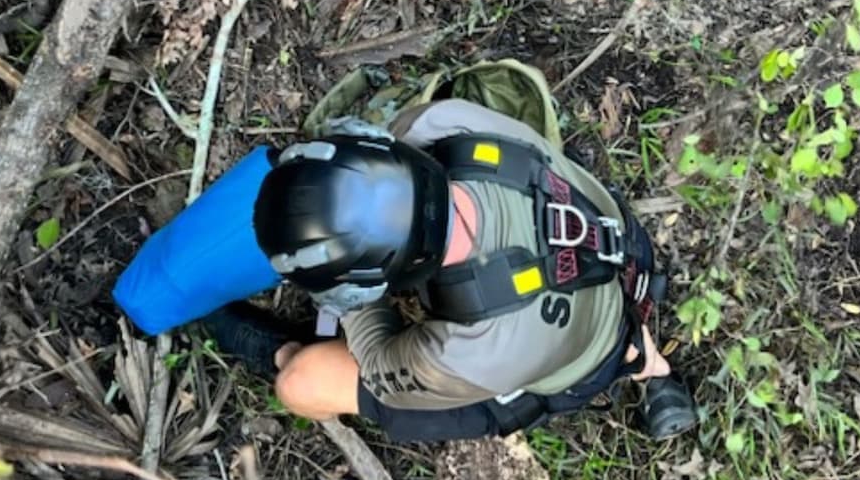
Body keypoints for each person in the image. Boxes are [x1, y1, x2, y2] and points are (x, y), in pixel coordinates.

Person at [114, 66, 698, 444]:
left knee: (303, 383)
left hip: (561, 356)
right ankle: (650, 362)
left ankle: (640, 362)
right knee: (604, 326)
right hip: (613, 239)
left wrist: (342, 298)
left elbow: (380, 360)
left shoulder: (474, 352)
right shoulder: (446, 125)